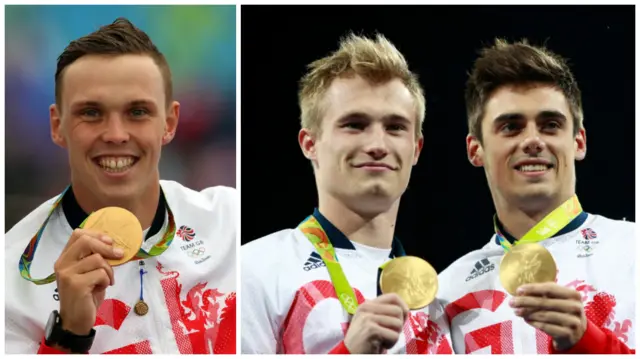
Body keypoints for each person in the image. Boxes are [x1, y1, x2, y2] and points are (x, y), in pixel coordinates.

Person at [5, 18, 237, 354]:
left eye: (138, 111)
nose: (115, 134)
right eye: (91, 112)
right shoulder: (10, 280)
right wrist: (68, 334)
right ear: (57, 126)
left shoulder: (231, 222)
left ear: (169, 122)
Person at [241, 33, 452, 354]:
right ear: (309, 143)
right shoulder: (254, 270)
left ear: (416, 149)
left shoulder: (439, 297)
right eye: (355, 124)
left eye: (395, 127)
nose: (378, 145)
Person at [437, 38, 635, 354]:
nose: (532, 140)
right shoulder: (448, 290)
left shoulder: (632, 250)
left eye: (550, 125)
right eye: (511, 127)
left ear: (579, 142)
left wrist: (587, 342)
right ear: (475, 150)